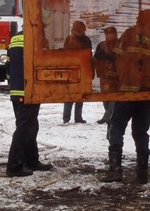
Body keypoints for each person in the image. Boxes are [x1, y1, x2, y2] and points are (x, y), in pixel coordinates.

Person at [100, 9, 150, 184]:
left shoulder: (129, 34)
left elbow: (116, 60)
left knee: (116, 128)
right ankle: (142, 173)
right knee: (141, 132)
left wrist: (111, 84)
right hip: (145, 95)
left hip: (125, 92)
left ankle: (115, 170)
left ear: (139, 20)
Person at [6, 31, 54, 177]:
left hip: (18, 89)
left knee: (31, 126)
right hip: (28, 90)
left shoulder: (16, 38)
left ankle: (32, 161)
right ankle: (14, 166)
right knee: (24, 128)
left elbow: (9, 66)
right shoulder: (35, 38)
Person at [61, 20, 92, 123]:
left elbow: (88, 56)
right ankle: (68, 118)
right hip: (73, 71)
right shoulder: (70, 40)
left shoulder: (83, 40)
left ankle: (75, 117)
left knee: (79, 95)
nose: (81, 32)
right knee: (70, 95)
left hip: (80, 70)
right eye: (80, 30)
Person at [92, 25, 120, 124]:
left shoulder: (120, 45)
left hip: (116, 77)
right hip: (104, 76)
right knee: (105, 98)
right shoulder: (101, 45)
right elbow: (95, 59)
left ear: (115, 34)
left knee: (114, 97)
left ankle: (108, 117)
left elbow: (124, 60)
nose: (108, 35)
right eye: (106, 34)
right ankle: (109, 115)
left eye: (110, 33)